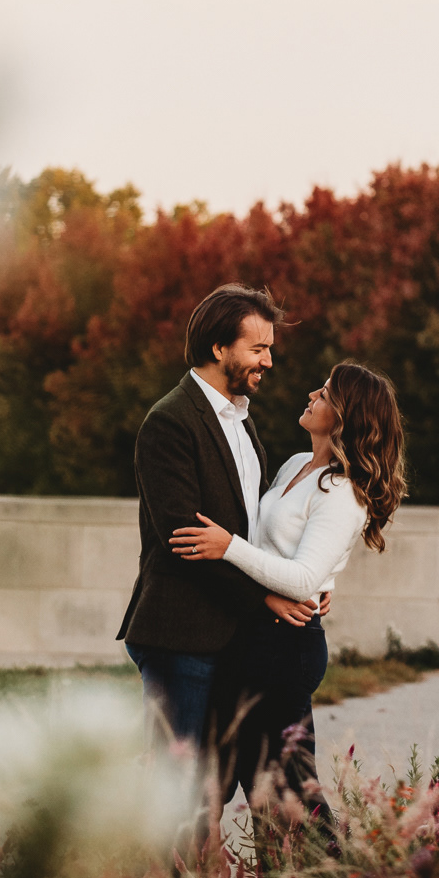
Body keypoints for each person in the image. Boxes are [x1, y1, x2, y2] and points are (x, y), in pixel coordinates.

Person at [172, 360, 406, 841]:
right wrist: (310, 583)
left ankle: (335, 877)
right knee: (250, 781)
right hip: (253, 635)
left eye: (325, 393)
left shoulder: (342, 491)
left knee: (289, 791)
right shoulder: (296, 465)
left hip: (285, 647)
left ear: (346, 416)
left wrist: (229, 547)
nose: (312, 395)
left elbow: (301, 579)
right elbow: (280, 551)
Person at [116, 282, 309, 750]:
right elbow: (184, 540)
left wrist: (307, 579)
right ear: (219, 348)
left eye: (269, 349)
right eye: (257, 349)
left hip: (233, 633)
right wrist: (265, 597)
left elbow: (254, 527)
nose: (268, 361)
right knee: (176, 781)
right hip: (181, 634)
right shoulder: (170, 421)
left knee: (215, 783)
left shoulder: (242, 421)